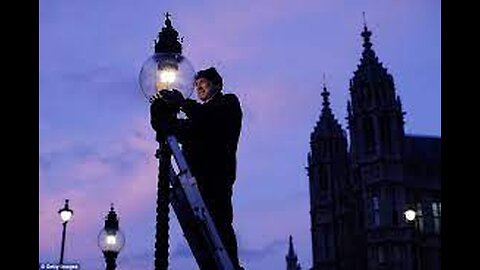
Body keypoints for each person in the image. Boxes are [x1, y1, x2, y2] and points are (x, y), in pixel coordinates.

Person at [150, 67, 243, 269]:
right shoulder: (199, 117)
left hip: (216, 176)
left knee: (220, 224)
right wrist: (163, 118)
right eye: (197, 84)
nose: (198, 87)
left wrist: (181, 102)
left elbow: (208, 121)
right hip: (196, 179)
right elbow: (188, 129)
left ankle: (231, 265)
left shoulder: (228, 103)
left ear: (217, 85)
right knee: (203, 229)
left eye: (204, 82)